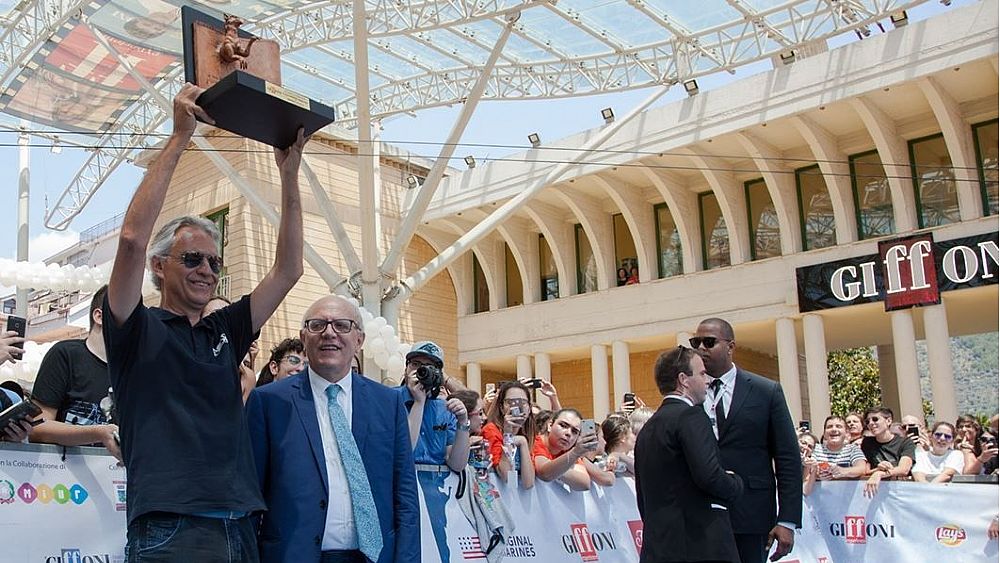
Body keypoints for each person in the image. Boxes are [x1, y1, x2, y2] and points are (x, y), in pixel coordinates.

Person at [102, 83, 306, 562]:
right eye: (192, 258)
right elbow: (132, 239)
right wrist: (179, 138)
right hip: (169, 527)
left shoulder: (225, 330)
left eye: (214, 263)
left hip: (239, 525)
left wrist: (289, 174)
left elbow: (289, 270)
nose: (206, 271)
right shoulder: (134, 326)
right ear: (159, 266)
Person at [246, 295, 419, 563]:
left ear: (359, 340)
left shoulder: (388, 403)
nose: (329, 333)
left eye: (342, 325)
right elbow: (250, 497)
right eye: (317, 325)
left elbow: (405, 496)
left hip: (374, 557)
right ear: (304, 337)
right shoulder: (269, 402)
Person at [692, 318, 800, 563]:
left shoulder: (766, 391)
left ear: (730, 347)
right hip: (700, 516)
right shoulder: (688, 393)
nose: (701, 348)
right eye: (695, 342)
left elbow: (787, 458)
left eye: (709, 342)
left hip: (752, 514)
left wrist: (787, 520)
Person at [634, 346, 744, 563]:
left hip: (659, 547)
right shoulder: (690, 417)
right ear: (683, 379)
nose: (707, 380)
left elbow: (643, 496)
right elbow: (709, 476)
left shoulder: (647, 429)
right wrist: (735, 483)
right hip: (699, 545)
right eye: (702, 373)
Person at [29, 286, 121, 460]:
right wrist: (98, 433)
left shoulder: (135, 367)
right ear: (99, 316)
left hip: (116, 479)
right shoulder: (66, 355)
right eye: (125, 313)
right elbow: (38, 427)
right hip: (62, 478)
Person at [397, 340, 469, 562]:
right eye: (417, 364)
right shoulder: (390, 398)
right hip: (403, 492)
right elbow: (404, 451)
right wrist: (417, 403)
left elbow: (456, 463)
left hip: (436, 495)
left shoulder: (445, 408)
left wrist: (463, 422)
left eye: (430, 367)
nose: (423, 371)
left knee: (439, 552)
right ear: (407, 368)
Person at [481, 380, 537, 488]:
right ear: (502, 408)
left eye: (522, 402)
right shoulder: (491, 430)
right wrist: (508, 435)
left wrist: (523, 442)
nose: (516, 407)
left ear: (529, 408)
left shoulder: (529, 434)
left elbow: (529, 483)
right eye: (510, 402)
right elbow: (506, 475)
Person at [533, 408, 599, 491]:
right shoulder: (535, 442)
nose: (568, 433)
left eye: (574, 431)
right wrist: (570, 458)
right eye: (563, 426)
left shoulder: (570, 451)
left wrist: (558, 468)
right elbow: (544, 473)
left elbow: (584, 483)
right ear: (550, 425)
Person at [861, 406, 915, 497]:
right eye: (867, 421)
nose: (871, 423)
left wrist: (880, 474)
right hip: (875, 493)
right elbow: (864, 471)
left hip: (901, 493)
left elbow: (904, 469)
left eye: (875, 419)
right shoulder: (867, 443)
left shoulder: (906, 442)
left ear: (888, 421)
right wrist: (878, 469)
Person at [811, 416, 867, 481]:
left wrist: (843, 471)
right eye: (829, 427)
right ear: (824, 433)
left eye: (838, 426)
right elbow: (808, 469)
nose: (834, 429)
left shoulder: (853, 449)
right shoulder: (815, 449)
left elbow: (862, 469)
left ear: (846, 432)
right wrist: (816, 474)